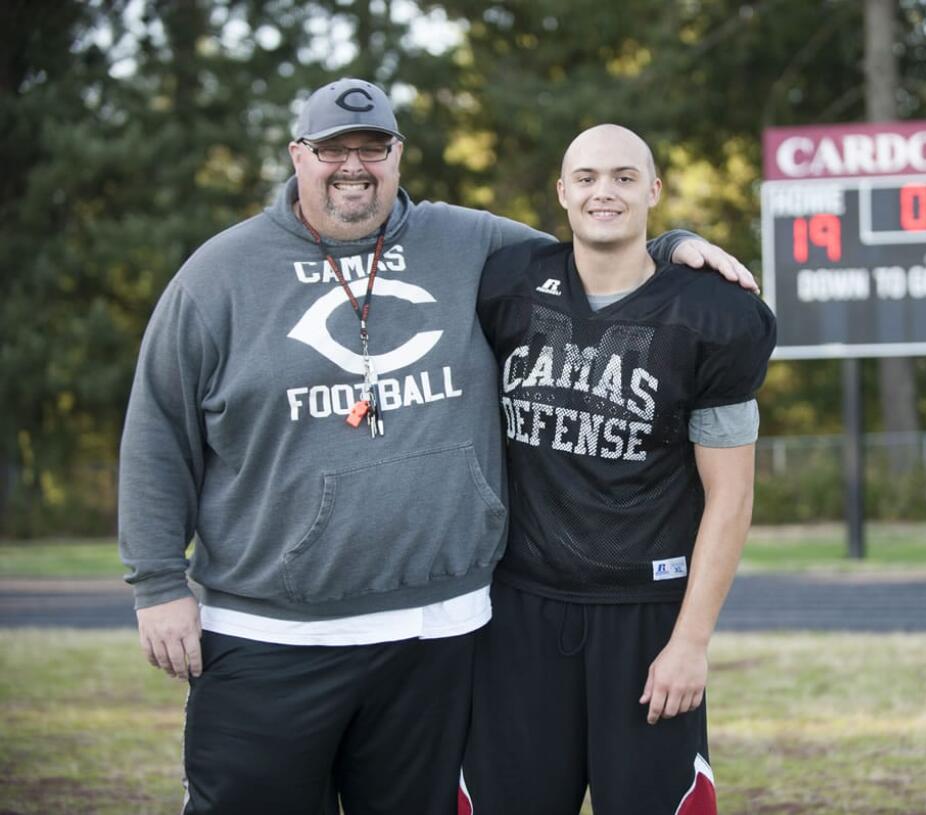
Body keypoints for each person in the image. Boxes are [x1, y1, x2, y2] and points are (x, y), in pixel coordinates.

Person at [118, 78, 753, 815]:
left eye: (372, 148)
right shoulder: (218, 275)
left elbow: (596, 247)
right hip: (270, 632)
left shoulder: (468, 241)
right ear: (298, 156)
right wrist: (158, 582)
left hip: (436, 636)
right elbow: (158, 430)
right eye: (332, 150)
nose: (353, 165)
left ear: (398, 155)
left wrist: (674, 244)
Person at [460, 124, 776, 814]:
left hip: (646, 611)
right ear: (563, 192)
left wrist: (690, 642)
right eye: (589, 177)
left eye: (625, 178)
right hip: (520, 607)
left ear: (654, 191)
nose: (605, 191)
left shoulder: (712, 314)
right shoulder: (510, 283)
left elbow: (732, 493)